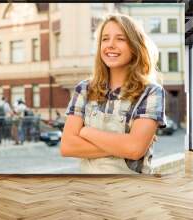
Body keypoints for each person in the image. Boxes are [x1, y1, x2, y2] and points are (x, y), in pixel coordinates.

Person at [60, 14, 166, 174]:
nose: (110, 45)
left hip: (132, 192)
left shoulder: (151, 92)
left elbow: (135, 150)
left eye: (120, 39)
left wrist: (85, 132)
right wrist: (124, 145)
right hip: (89, 191)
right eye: (105, 39)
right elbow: (67, 146)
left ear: (134, 45)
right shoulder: (83, 89)